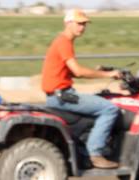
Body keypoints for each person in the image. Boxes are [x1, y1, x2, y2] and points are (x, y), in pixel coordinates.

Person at [41, 9, 122, 169]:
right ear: (68, 23)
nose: (82, 27)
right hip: (62, 96)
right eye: (79, 23)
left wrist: (100, 71)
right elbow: (78, 71)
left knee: (100, 101)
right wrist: (107, 74)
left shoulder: (62, 41)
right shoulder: (64, 42)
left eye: (84, 24)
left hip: (58, 94)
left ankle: (86, 149)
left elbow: (70, 72)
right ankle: (96, 154)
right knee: (109, 109)